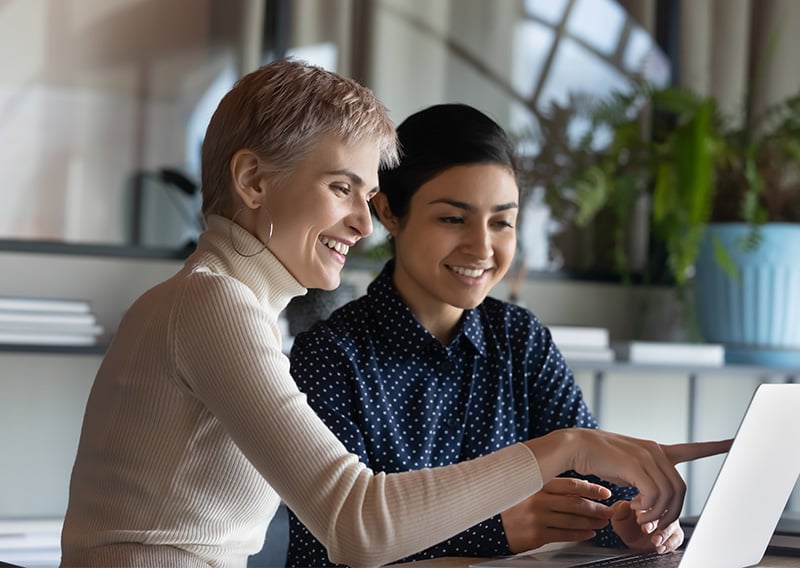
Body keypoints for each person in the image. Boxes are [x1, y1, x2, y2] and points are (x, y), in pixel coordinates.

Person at [60, 60, 728, 568]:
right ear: (254, 182)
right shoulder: (213, 307)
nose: (361, 220)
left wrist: (618, 510)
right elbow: (356, 524)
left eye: (368, 192)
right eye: (341, 187)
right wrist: (569, 448)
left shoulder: (231, 305)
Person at [285, 103, 700, 566]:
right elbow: (323, 551)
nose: (482, 248)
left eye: (502, 222)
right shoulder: (330, 356)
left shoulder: (519, 340)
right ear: (388, 213)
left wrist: (628, 521)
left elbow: (594, 472)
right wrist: (496, 529)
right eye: (452, 219)